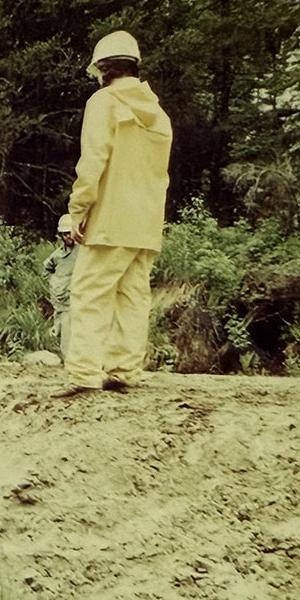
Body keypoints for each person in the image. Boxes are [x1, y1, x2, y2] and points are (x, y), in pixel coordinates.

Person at [57, 30, 172, 397]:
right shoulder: (159, 115)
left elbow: (93, 162)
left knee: (89, 292)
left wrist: (78, 210)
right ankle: (123, 370)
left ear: (103, 69)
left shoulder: (103, 102)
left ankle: (85, 374)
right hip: (147, 223)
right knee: (133, 295)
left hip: (111, 219)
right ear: (134, 67)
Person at [43, 213, 80, 359]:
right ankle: (69, 363)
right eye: (64, 234)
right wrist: (54, 281)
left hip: (81, 297)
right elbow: (46, 269)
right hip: (63, 301)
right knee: (65, 332)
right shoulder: (57, 255)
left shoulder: (84, 251)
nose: (67, 237)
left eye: (69, 233)